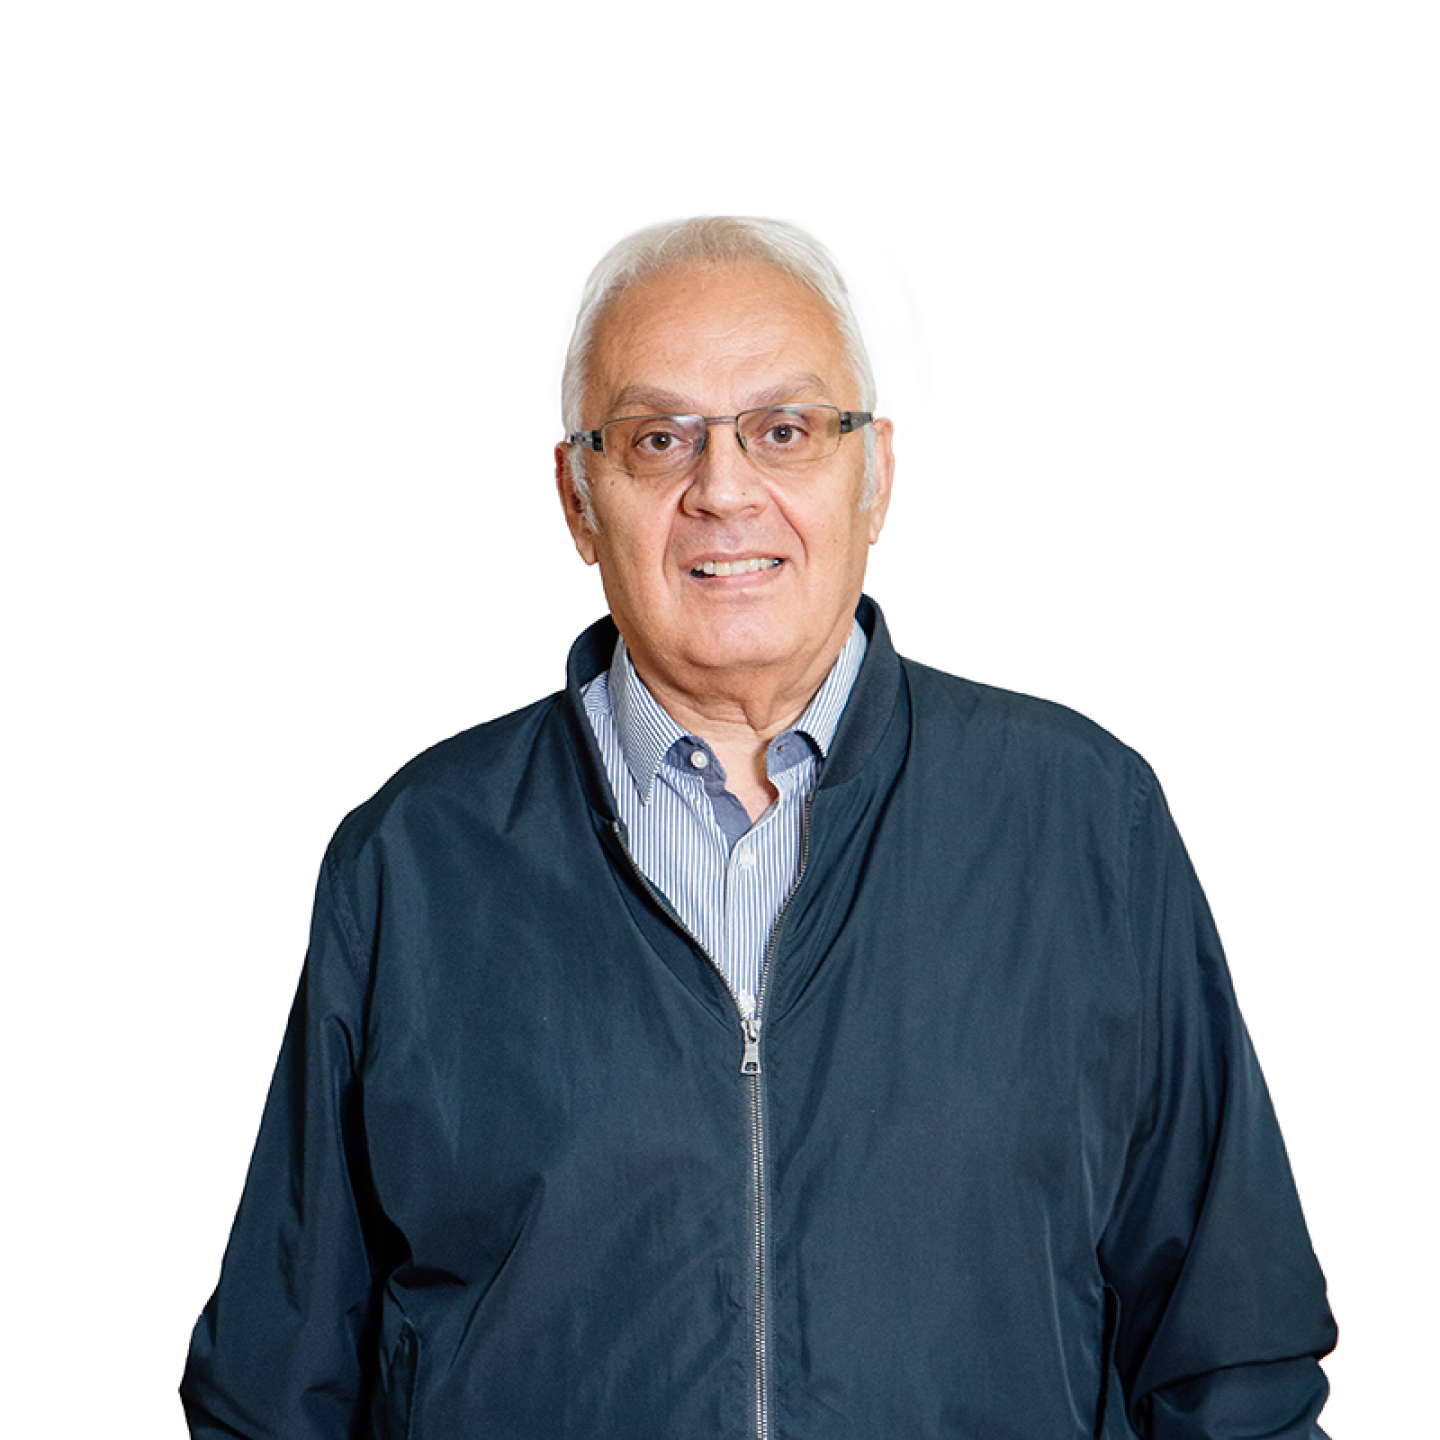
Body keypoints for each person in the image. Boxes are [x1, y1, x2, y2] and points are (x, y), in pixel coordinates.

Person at [181, 217, 1336, 1439]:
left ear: (873, 473)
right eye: (658, 438)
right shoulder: (414, 864)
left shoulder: (1088, 826)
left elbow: (1234, 1375)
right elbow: (275, 1395)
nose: (723, 491)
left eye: (784, 430)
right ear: (579, 497)